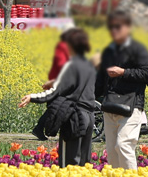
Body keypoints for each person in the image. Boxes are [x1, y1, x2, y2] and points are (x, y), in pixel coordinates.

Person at [21, 28, 97, 168]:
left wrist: (32, 97)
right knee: (84, 163)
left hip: (74, 118)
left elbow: (54, 92)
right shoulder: (90, 66)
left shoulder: (71, 66)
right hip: (89, 116)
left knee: (68, 163)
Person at [95, 9, 148, 170]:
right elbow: (101, 78)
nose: (113, 30)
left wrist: (123, 72)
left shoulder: (138, 49)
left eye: (118, 27)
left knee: (124, 145)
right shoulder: (109, 50)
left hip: (131, 104)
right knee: (112, 150)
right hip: (110, 105)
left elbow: (146, 72)